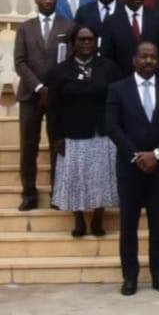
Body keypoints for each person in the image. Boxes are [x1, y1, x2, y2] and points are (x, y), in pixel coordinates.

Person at [105, 41, 159, 295]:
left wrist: (156, 154)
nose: (148, 61)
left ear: (158, 61)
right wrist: (136, 156)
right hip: (130, 168)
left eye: (153, 57)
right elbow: (112, 126)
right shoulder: (117, 89)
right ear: (134, 60)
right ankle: (130, 277)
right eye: (144, 56)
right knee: (129, 225)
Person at [47, 25, 119, 237]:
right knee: (75, 177)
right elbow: (53, 108)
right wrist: (56, 137)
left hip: (102, 132)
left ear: (96, 42)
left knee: (101, 176)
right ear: (73, 43)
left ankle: (98, 217)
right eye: (81, 39)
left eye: (90, 39)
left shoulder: (109, 67)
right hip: (72, 133)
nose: (86, 43)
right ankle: (78, 219)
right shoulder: (60, 71)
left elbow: (117, 100)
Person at [14, 0, 74, 210]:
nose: (48, 1)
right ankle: (29, 194)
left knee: (57, 144)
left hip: (58, 96)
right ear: (36, 0)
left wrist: (53, 89)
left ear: (56, 1)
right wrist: (40, 88)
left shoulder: (68, 26)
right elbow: (20, 62)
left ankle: (57, 194)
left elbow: (70, 60)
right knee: (28, 145)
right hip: (30, 95)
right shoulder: (24, 28)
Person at [102, 0, 159, 80]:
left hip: (153, 80)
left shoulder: (158, 18)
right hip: (122, 81)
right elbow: (107, 57)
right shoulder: (111, 21)